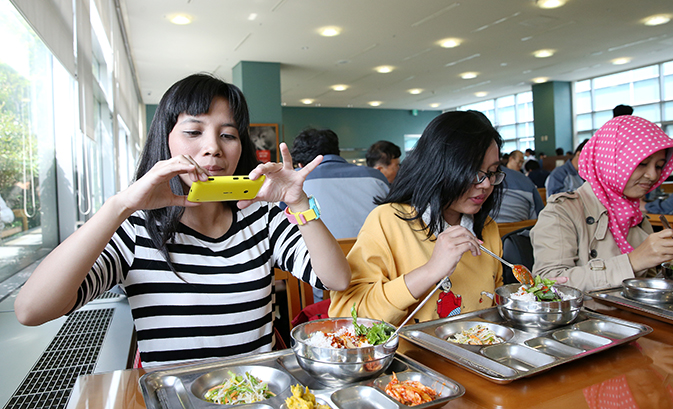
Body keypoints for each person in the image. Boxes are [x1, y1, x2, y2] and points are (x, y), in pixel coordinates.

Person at [14, 73, 351, 368]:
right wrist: (120, 206)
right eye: (193, 131)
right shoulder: (135, 230)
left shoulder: (259, 219)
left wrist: (299, 202)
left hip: (258, 391)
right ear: (166, 139)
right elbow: (31, 310)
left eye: (228, 135)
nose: (212, 148)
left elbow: (335, 279)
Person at [329, 110, 505, 326]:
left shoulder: (487, 227)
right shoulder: (388, 221)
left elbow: (495, 306)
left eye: (491, 172)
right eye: (473, 172)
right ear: (440, 166)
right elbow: (347, 317)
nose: (486, 184)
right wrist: (431, 271)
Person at [531, 116, 673, 292]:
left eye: (659, 166)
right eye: (641, 164)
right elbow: (548, 283)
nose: (652, 175)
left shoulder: (634, 217)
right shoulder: (562, 211)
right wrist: (633, 261)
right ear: (611, 162)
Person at [290, 128, 389, 302]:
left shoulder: (293, 187)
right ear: (337, 152)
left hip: (320, 298)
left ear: (300, 165)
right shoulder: (377, 178)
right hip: (380, 287)